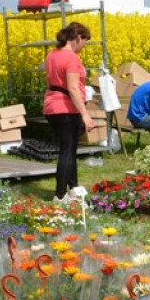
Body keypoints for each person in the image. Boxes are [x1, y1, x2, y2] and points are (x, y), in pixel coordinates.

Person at [43, 21, 95, 201]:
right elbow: (72, 88)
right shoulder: (71, 58)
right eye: (84, 41)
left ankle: (73, 187)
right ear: (78, 38)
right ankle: (60, 195)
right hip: (66, 107)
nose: (84, 46)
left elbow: (50, 81)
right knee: (67, 151)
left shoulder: (52, 55)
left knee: (70, 149)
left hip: (52, 106)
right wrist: (85, 115)